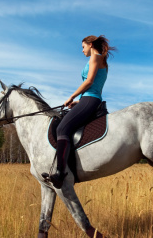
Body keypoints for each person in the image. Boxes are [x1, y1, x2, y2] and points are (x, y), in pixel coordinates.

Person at [47, 35, 116, 189]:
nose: (82, 50)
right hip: (90, 99)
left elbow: (89, 81)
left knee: (62, 128)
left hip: (90, 99)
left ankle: (60, 172)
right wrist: (79, 102)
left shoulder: (95, 58)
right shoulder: (101, 59)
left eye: (83, 46)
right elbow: (95, 87)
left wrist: (72, 96)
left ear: (90, 45)